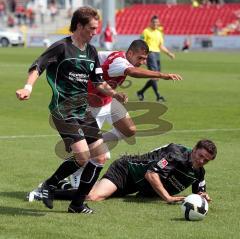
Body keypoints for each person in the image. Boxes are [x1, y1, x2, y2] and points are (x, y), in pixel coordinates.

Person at [16, 6, 127, 214]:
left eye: (96, 28)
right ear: (79, 26)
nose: (95, 32)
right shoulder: (61, 47)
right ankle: (49, 185)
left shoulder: (92, 51)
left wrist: (114, 94)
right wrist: (28, 87)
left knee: (101, 156)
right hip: (63, 110)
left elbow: (98, 81)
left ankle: (76, 204)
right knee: (83, 156)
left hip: (82, 111)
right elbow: (37, 66)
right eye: (91, 28)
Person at [28, 139, 217, 204]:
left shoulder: (198, 172)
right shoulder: (176, 154)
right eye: (200, 156)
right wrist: (167, 197)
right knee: (94, 197)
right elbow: (151, 174)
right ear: (194, 150)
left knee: (97, 194)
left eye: (206, 160)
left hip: (133, 185)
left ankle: (65, 185)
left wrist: (203, 197)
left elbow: (198, 191)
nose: (201, 161)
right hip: (126, 170)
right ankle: (46, 191)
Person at [88, 39, 182, 144]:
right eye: (140, 58)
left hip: (108, 99)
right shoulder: (119, 62)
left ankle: (97, 141)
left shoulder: (117, 54)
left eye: (144, 59)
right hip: (92, 104)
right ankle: (90, 144)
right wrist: (163, 75)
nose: (142, 62)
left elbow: (96, 56)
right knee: (96, 156)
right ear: (130, 53)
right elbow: (132, 72)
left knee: (129, 130)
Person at [137, 15, 176, 102]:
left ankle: (141, 92)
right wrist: (143, 57)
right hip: (150, 54)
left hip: (157, 54)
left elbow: (161, 46)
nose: (155, 24)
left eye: (157, 22)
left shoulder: (159, 33)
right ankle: (158, 96)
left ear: (158, 23)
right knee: (155, 76)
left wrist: (169, 54)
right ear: (150, 22)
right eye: (154, 22)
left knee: (157, 77)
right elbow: (141, 44)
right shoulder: (146, 31)